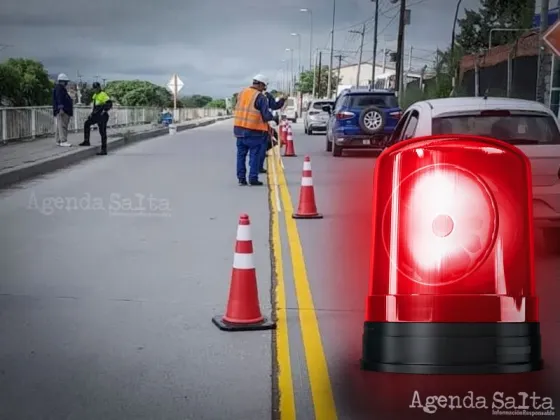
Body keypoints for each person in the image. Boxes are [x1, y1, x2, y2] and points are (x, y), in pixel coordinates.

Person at [233, 74, 278, 186]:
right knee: (254, 155)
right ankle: (253, 178)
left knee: (241, 156)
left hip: (239, 130)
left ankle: (241, 178)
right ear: (261, 84)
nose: (264, 89)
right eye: (264, 86)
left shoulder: (241, 93)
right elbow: (266, 116)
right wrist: (275, 118)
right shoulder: (260, 97)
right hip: (254, 131)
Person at [79, 82, 113, 155]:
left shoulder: (103, 94)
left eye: (97, 88)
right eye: (94, 88)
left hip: (102, 115)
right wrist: (92, 114)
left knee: (102, 131)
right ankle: (86, 141)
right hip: (96, 114)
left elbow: (109, 104)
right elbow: (94, 107)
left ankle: (104, 150)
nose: (96, 90)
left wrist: (104, 111)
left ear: (99, 87)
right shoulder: (95, 95)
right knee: (87, 123)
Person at [259, 91, 286, 173]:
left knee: (262, 146)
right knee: (261, 146)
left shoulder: (265, 95)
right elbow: (274, 106)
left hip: (259, 125)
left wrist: (282, 100)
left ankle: (257, 166)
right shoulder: (264, 96)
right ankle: (257, 167)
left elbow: (274, 106)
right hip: (261, 125)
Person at [52, 73, 73, 147]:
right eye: (66, 81)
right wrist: (61, 108)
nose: (67, 83)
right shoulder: (59, 88)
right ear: (62, 81)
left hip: (62, 110)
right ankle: (63, 141)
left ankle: (58, 140)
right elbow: (59, 99)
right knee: (63, 126)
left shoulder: (58, 88)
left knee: (59, 127)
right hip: (63, 111)